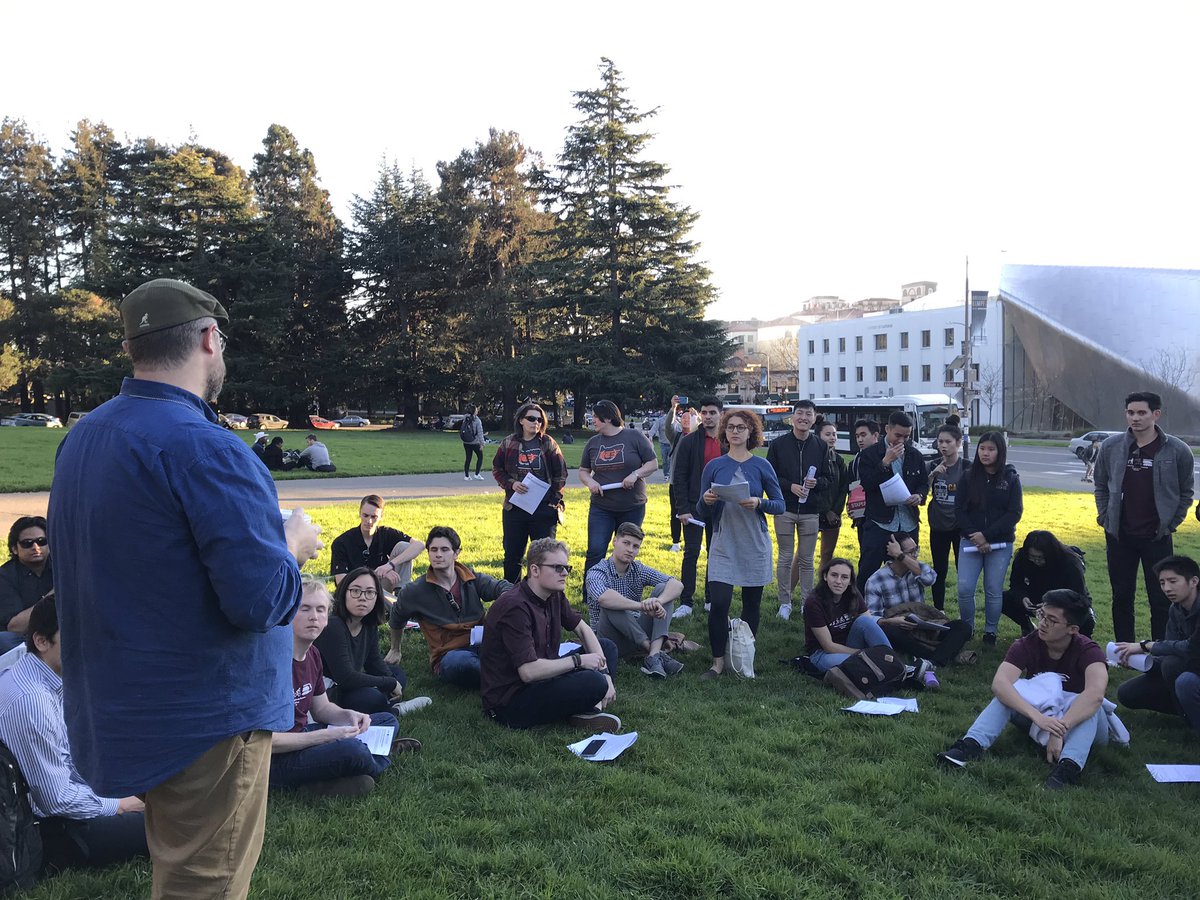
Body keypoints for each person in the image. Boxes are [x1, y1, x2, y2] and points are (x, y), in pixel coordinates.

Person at [48, 277, 323, 898]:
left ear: (133, 348)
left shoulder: (85, 437)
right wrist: (292, 545)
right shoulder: (208, 448)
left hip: (123, 704)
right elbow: (260, 601)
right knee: (204, 886)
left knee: (177, 871)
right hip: (206, 720)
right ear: (208, 339)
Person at [0, 595, 148, 871]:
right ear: (41, 641)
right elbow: (55, 799)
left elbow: (70, 758)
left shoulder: (44, 677)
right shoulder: (31, 701)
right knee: (171, 825)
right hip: (51, 829)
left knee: (164, 796)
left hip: (64, 806)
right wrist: (119, 805)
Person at [937, 590, 1111, 790]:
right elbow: (1000, 683)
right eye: (1042, 615)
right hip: (1042, 717)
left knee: (1092, 708)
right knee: (1007, 694)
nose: (1043, 623)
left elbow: (1095, 695)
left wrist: (1060, 729)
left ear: (1072, 629)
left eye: (1052, 620)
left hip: (1081, 725)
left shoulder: (1089, 651)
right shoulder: (1028, 643)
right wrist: (1039, 718)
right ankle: (969, 746)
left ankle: (1068, 768)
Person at [270, 580, 412, 798]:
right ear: (287, 614)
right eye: (304, 608)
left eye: (320, 610)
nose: (314, 617)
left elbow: (322, 709)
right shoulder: (273, 662)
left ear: (327, 617)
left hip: (304, 736)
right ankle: (373, 758)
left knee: (386, 720)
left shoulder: (313, 654)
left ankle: (346, 767)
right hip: (275, 757)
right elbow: (266, 742)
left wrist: (350, 716)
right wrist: (325, 737)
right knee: (352, 750)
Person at [479, 539, 621, 731]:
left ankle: (588, 711)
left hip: (543, 676)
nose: (565, 573)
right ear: (535, 570)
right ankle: (585, 707)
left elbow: (583, 629)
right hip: (511, 701)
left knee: (606, 647)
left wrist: (605, 674)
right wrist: (579, 661)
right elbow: (528, 672)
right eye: (557, 568)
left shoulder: (553, 594)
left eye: (566, 568)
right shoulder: (515, 607)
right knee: (593, 681)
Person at [1094, 391, 1194, 642]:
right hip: (1120, 535)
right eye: (1130, 412)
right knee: (1121, 597)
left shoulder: (1177, 450)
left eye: (1141, 412)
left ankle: (1160, 649)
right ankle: (1123, 650)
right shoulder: (1111, 447)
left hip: (1156, 536)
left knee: (1161, 598)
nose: (1135, 418)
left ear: (1155, 414)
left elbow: (1186, 492)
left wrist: (1171, 523)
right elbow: (1101, 485)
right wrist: (1105, 517)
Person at [697, 409, 785, 680]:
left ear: (751, 433)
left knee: (751, 604)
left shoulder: (762, 466)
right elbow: (700, 509)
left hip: (754, 543)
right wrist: (707, 501)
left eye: (741, 427)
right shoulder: (714, 466)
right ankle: (717, 663)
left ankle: (745, 659)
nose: (735, 431)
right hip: (723, 543)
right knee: (719, 603)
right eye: (731, 427)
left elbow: (780, 505)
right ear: (724, 432)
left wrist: (760, 502)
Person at [386, 526, 512, 689]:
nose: (438, 554)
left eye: (444, 549)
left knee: (516, 642)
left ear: (456, 553)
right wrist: (395, 649)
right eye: (433, 550)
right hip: (450, 655)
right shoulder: (415, 591)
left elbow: (505, 588)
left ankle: (502, 672)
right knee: (460, 663)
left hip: (485, 645)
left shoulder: (471, 578)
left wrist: (498, 610)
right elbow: (396, 618)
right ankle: (506, 676)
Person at [315, 568, 431, 719]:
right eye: (355, 591)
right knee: (373, 697)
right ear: (344, 593)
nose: (363, 598)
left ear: (377, 597)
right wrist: (388, 683)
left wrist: (391, 681)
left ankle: (385, 701)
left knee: (397, 674)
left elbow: (373, 661)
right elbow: (346, 678)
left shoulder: (368, 623)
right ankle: (394, 710)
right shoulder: (333, 625)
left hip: (351, 682)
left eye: (370, 592)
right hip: (330, 692)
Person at [577, 400, 658, 603]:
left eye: (596, 417)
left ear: (607, 418)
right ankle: (591, 595)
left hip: (632, 506)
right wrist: (590, 482)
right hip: (601, 507)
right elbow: (583, 471)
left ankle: (623, 594)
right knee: (596, 549)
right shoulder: (593, 442)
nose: (593, 421)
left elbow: (653, 463)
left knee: (625, 551)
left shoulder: (634, 436)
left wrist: (635, 475)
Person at [584, 522, 685, 678]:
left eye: (635, 546)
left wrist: (658, 602)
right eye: (626, 543)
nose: (630, 550)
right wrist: (641, 606)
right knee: (611, 602)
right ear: (615, 541)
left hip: (636, 630)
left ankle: (653, 656)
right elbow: (604, 598)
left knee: (663, 589)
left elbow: (677, 585)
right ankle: (653, 651)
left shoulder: (637, 569)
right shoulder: (597, 571)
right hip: (609, 639)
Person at [1113, 555, 1200, 730]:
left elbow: (1192, 648)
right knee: (1127, 693)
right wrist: (1141, 662)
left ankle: (1193, 722)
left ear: (1194, 581)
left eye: (1173, 581)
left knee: (1183, 680)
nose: (1167, 588)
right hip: (1188, 667)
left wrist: (1146, 645)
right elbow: (1171, 650)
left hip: (1191, 672)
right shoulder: (1176, 608)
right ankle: (1187, 709)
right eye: (1162, 583)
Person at [864, 534, 971, 676]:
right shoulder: (876, 581)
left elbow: (931, 578)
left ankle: (931, 662)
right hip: (899, 631)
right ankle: (941, 656)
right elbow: (872, 618)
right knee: (890, 632)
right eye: (911, 552)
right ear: (893, 554)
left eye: (917, 549)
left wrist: (902, 556)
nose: (915, 555)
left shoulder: (917, 570)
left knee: (963, 627)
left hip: (924, 627)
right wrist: (892, 621)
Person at [955, 431, 1023, 645]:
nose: (985, 453)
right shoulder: (968, 476)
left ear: (1000, 452)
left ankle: (990, 632)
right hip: (969, 541)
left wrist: (986, 535)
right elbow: (959, 510)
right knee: (964, 588)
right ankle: (967, 628)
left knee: (993, 589)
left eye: (991, 449)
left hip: (1000, 543)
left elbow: (1014, 513)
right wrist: (975, 536)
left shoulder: (1011, 478)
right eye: (982, 448)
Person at [490, 402, 567, 584]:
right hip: (515, 507)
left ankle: (542, 592)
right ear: (521, 421)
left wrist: (553, 500)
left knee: (544, 557)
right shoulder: (509, 442)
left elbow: (561, 473)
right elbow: (497, 469)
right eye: (531, 418)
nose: (536, 423)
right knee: (512, 555)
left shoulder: (548, 443)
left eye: (540, 420)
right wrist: (512, 484)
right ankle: (512, 593)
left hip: (543, 509)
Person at [766, 400, 826, 619]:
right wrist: (789, 486)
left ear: (814, 418)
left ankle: (806, 603)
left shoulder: (820, 446)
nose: (804, 418)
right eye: (800, 413)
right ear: (792, 417)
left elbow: (828, 478)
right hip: (785, 508)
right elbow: (770, 477)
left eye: (808, 414)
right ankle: (785, 602)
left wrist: (816, 482)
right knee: (785, 556)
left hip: (810, 510)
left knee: (807, 560)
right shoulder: (778, 444)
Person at [855, 411, 928, 592]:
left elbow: (923, 483)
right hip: (879, 521)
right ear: (887, 429)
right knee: (868, 570)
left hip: (908, 521)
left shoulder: (914, 455)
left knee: (908, 570)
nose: (901, 441)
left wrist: (919, 496)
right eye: (897, 435)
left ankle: (904, 604)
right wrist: (885, 462)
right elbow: (867, 483)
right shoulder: (870, 454)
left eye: (906, 436)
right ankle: (861, 606)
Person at [669, 398, 724, 619]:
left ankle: (711, 598)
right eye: (704, 412)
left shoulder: (728, 441)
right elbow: (679, 477)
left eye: (712, 412)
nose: (708, 416)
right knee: (691, 552)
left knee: (715, 553)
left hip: (721, 507)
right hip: (694, 506)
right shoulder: (689, 441)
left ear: (721, 414)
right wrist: (682, 508)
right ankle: (686, 601)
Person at [802, 557, 894, 673]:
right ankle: (887, 665)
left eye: (844, 577)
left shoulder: (852, 594)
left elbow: (869, 623)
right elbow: (828, 646)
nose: (838, 581)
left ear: (850, 581)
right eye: (834, 575)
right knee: (862, 664)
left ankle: (892, 660)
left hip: (850, 644)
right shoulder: (813, 602)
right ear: (825, 576)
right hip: (823, 654)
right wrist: (864, 654)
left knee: (864, 621)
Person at [1001, 531, 1091, 636]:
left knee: (1086, 619)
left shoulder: (1070, 562)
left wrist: (1051, 605)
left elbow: (1078, 595)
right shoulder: (1022, 557)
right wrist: (1023, 597)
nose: (1036, 561)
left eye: (1040, 557)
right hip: (1036, 597)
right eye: (1032, 557)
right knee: (1000, 599)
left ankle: (1074, 639)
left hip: (1064, 601)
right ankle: (1027, 627)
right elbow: (1016, 584)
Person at [330, 494, 425, 588]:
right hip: (356, 590)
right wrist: (377, 573)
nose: (369, 521)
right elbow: (341, 582)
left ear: (381, 516)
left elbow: (419, 545)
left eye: (374, 517)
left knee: (404, 547)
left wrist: (390, 565)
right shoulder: (342, 542)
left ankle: (401, 592)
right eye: (365, 515)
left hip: (382, 588)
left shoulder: (386, 534)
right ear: (359, 513)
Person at [0, 515, 53, 654]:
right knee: (4, 640)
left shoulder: (61, 568)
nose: (36, 547)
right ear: (14, 549)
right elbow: (15, 627)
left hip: (59, 634)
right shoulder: (5, 576)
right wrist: (55, 593)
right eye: (27, 543)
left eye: (42, 541)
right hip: (23, 639)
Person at [926, 423, 965, 611]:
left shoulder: (967, 467)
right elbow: (920, 493)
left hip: (960, 527)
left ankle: (965, 611)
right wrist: (932, 475)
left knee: (962, 570)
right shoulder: (932, 465)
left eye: (948, 442)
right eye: (940, 441)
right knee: (939, 570)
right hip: (938, 526)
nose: (943, 445)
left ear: (958, 443)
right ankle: (938, 610)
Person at [810, 416, 848, 573]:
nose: (832, 437)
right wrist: (825, 510)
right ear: (818, 436)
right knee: (804, 554)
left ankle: (822, 584)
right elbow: (811, 487)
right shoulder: (811, 458)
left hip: (834, 514)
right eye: (828, 434)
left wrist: (835, 511)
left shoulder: (839, 460)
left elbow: (843, 489)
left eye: (834, 434)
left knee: (827, 554)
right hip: (813, 512)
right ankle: (789, 587)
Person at [844, 419, 880, 553]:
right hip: (862, 515)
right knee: (865, 554)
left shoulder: (885, 456)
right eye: (857, 436)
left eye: (863, 435)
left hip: (883, 515)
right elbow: (851, 488)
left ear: (875, 435)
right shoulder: (855, 461)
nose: (860, 439)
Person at [666, 404, 696, 552]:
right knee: (675, 513)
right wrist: (673, 408)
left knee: (695, 512)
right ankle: (676, 541)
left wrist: (697, 417)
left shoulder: (697, 438)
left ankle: (694, 540)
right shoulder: (676, 436)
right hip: (676, 482)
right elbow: (668, 427)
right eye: (683, 417)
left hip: (694, 483)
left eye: (689, 418)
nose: (686, 420)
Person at [648, 397, 680, 481]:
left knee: (671, 460)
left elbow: (680, 430)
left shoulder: (676, 421)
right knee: (665, 460)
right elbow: (653, 430)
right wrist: (650, 437)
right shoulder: (660, 421)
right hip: (663, 444)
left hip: (672, 444)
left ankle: (670, 474)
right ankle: (666, 474)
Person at [460, 406, 485, 481]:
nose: (477, 411)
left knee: (468, 458)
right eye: (476, 410)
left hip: (466, 442)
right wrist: (482, 443)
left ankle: (466, 476)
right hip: (475, 442)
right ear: (474, 411)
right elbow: (480, 432)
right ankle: (477, 474)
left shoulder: (465, 418)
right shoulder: (477, 420)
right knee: (480, 457)